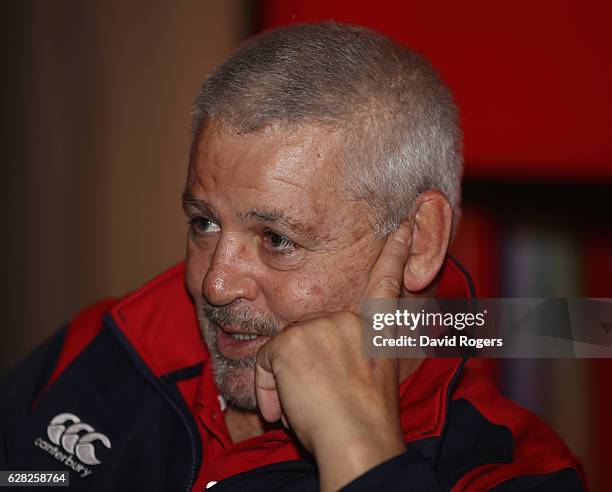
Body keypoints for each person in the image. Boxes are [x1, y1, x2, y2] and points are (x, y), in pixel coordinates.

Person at [1, 22, 584, 491]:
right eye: (204, 223)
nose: (215, 283)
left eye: (277, 240)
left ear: (420, 241)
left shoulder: (508, 471)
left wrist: (364, 455)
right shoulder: (113, 342)